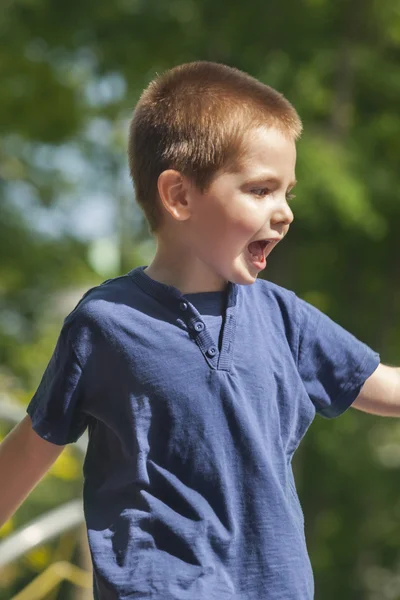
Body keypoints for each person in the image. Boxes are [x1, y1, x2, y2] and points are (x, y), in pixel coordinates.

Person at [0, 61, 399, 600]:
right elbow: (30, 450)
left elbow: (385, 387)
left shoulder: (282, 316)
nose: (283, 213)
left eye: (288, 193)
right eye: (261, 190)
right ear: (180, 196)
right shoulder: (106, 324)